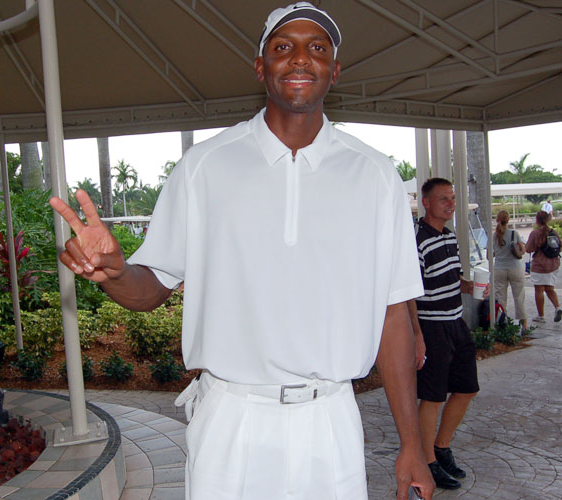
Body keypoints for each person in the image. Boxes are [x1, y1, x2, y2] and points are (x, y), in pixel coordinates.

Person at [50, 3, 434, 500]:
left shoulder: (376, 175)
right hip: (231, 419)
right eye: (283, 47)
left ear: (334, 71)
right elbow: (152, 287)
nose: (300, 58)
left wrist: (412, 446)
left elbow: (393, 315)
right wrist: (116, 272)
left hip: (330, 418)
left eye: (317, 48)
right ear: (260, 67)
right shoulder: (204, 167)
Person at [407, 178, 482, 491]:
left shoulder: (449, 237)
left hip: (456, 322)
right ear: (426, 202)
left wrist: (470, 286)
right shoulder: (416, 239)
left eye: (452, 199)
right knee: (433, 397)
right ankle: (428, 461)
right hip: (432, 325)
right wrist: (417, 334)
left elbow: (453, 277)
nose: (451, 205)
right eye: (443, 199)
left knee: (467, 388)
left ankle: (442, 446)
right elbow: (408, 291)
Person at [525, 210, 562, 323]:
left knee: (539, 290)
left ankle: (541, 316)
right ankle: (558, 308)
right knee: (550, 289)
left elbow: (528, 249)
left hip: (540, 265)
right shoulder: (553, 232)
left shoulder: (535, 233)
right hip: (553, 264)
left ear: (537, 220)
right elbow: (560, 246)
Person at [493, 210, 527, 330]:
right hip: (515, 268)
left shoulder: (494, 235)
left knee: (501, 298)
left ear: (497, 219)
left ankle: (503, 323)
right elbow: (523, 251)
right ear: (508, 220)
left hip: (499, 269)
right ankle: (524, 325)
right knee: (519, 296)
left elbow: (489, 256)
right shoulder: (514, 233)